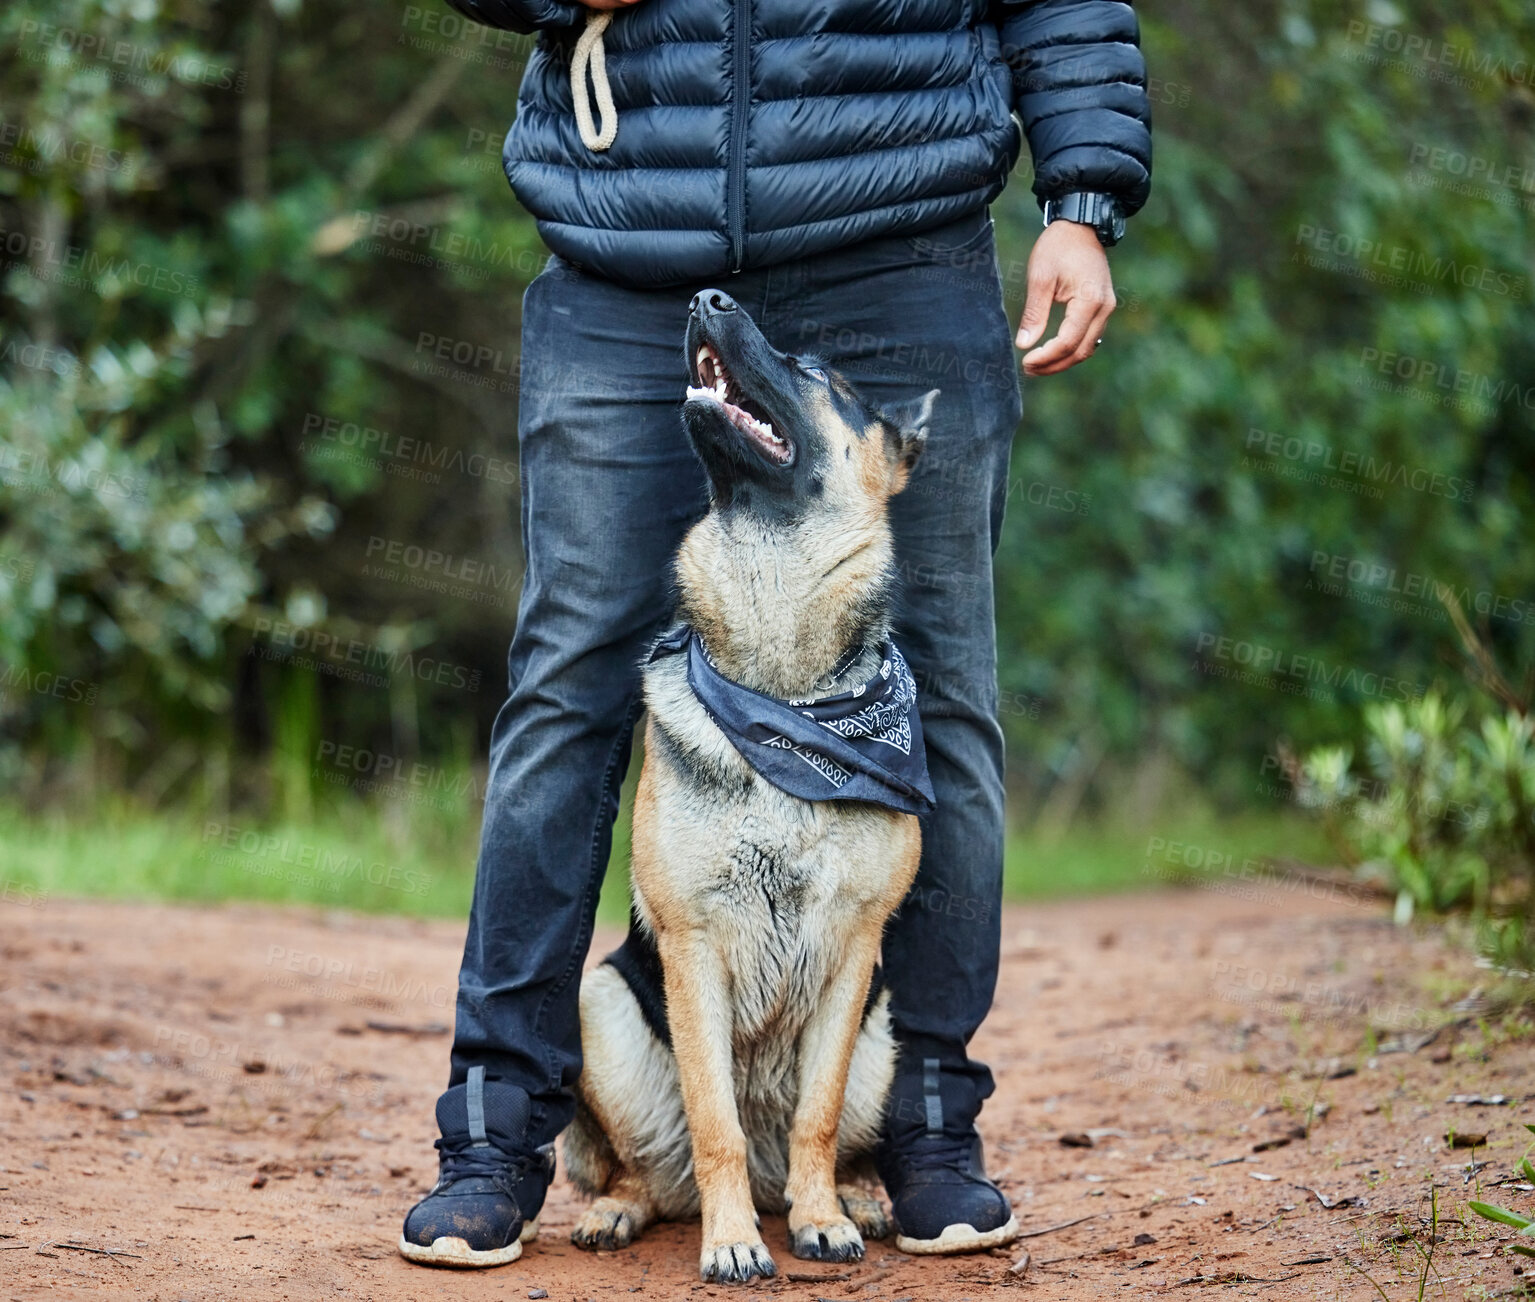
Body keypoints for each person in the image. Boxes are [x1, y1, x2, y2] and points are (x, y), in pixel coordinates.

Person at [400, 0, 1151, 1268]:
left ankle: (919, 1131)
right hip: (625, 250)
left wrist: (1080, 195)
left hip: (899, 250)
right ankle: (493, 1137)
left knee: (942, 698)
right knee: (565, 692)